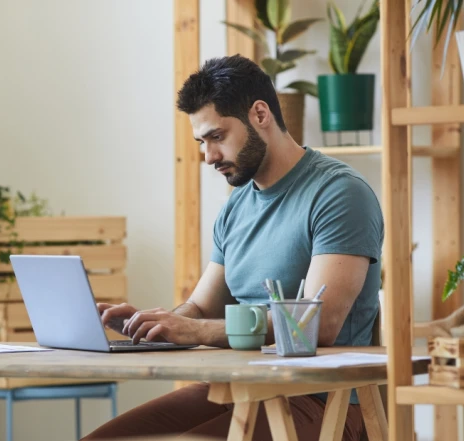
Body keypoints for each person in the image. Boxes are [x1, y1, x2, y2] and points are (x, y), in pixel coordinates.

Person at [82, 55, 383, 440]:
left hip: (320, 401)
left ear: (260, 114)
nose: (208, 156)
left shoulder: (339, 194)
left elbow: (316, 327)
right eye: (202, 142)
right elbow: (201, 308)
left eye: (217, 137)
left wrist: (194, 331)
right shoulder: (236, 206)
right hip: (238, 388)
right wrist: (155, 325)